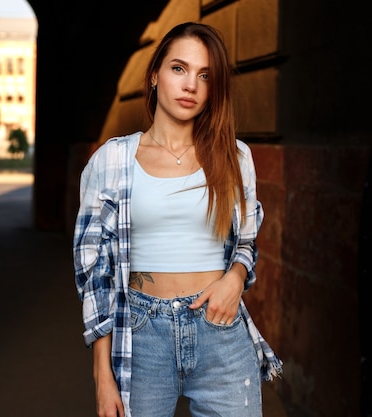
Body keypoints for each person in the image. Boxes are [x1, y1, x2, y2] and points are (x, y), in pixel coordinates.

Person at [73, 22, 282, 417]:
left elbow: (246, 240)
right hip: (141, 333)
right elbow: (93, 269)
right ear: (154, 76)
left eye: (205, 76)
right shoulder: (113, 160)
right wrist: (102, 374)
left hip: (220, 330)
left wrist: (235, 277)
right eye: (179, 69)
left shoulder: (235, 158)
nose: (191, 86)